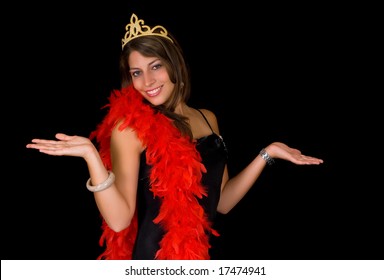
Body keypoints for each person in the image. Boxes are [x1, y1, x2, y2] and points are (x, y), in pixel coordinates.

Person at [26, 13, 324, 260]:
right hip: (152, 262)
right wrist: (92, 156)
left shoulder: (208, 118)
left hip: (195, 258)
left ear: (174, 64)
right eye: (136, 72)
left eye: (155, 66)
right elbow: (119, 221)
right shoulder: (129, 129)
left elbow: (222, 202)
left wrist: (267, 153)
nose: (148, 81)